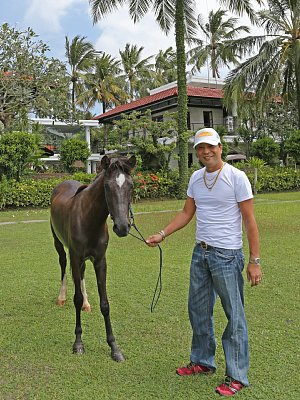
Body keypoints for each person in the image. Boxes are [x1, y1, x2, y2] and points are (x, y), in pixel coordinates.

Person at [146, 127, 262, 397]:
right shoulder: (197, 179)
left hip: (228, 255)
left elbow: (250, 221)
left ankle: (236, 376)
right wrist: (162, 234)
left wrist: (254, 260)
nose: (206, 152)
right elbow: (187, 213)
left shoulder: (237, 178)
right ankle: (202, 361)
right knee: (198, 310)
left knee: (234, 316)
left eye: (210, 146)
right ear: (196, 152)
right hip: (201, 253)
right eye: (200, 148)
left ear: (220, 147)